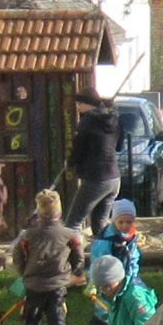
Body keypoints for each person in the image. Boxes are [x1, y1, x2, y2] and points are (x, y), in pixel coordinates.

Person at [8, 189, 85, 325]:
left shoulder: (28, 235)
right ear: (59, 213)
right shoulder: (70, 236)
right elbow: (79, 259)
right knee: (57, 319)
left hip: (33, 285)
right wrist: (69, 274)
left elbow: (17, 257)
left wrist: (25, 273)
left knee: (31, 318)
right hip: (57, 286)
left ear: (39, 212)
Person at [63, 95, 122, 234]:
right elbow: (119, 146)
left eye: (79, 103)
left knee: (73, 223)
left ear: (87, 104)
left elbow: (78, 147)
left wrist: (70, 162)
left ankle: (71, 256)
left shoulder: (88, 120)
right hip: (114, 178)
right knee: (100, 223)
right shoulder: (116, 120)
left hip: (96, 177)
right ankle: (105, 253)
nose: (78, 107)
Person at [87, 199, 145, 325]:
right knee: (105, 305)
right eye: (121, 222)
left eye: (129, 222)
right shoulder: (106, 239)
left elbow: (134, 257)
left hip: (124, 277)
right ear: (114, 221)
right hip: (108, 277)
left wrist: (132, 276)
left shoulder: (131, 237)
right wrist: (95, 281)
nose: (125, 225)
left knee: (124, 302)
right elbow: (99, 260)